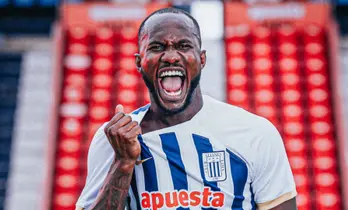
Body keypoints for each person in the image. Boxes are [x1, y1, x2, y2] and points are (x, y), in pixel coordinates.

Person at [75, 7, 297, 210]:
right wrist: (123, 164)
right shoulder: (113, 139)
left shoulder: (255, 133)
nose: (171, 56)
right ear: (139, 62)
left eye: (183, 46)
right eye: (157, 47)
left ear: (201, 59)